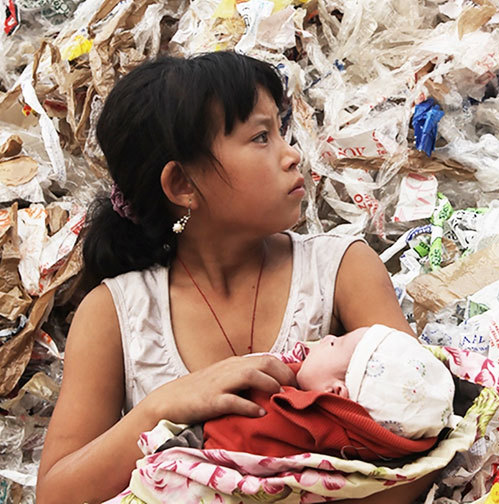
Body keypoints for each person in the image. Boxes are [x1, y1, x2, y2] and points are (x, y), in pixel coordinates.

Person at [36, 52, 435, 504]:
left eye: (282, 131)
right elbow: (56, 493)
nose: (292, 155)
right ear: (183, 186)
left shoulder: (341, 271)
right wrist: (162, 406)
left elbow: (425, 431)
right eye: (261, 137)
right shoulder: (116, 314)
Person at [202, 325, 456, 459]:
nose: (327, 338)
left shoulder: (296, 419)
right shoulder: (373, 451)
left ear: (335, 391)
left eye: (336, 343)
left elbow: (228, 435)